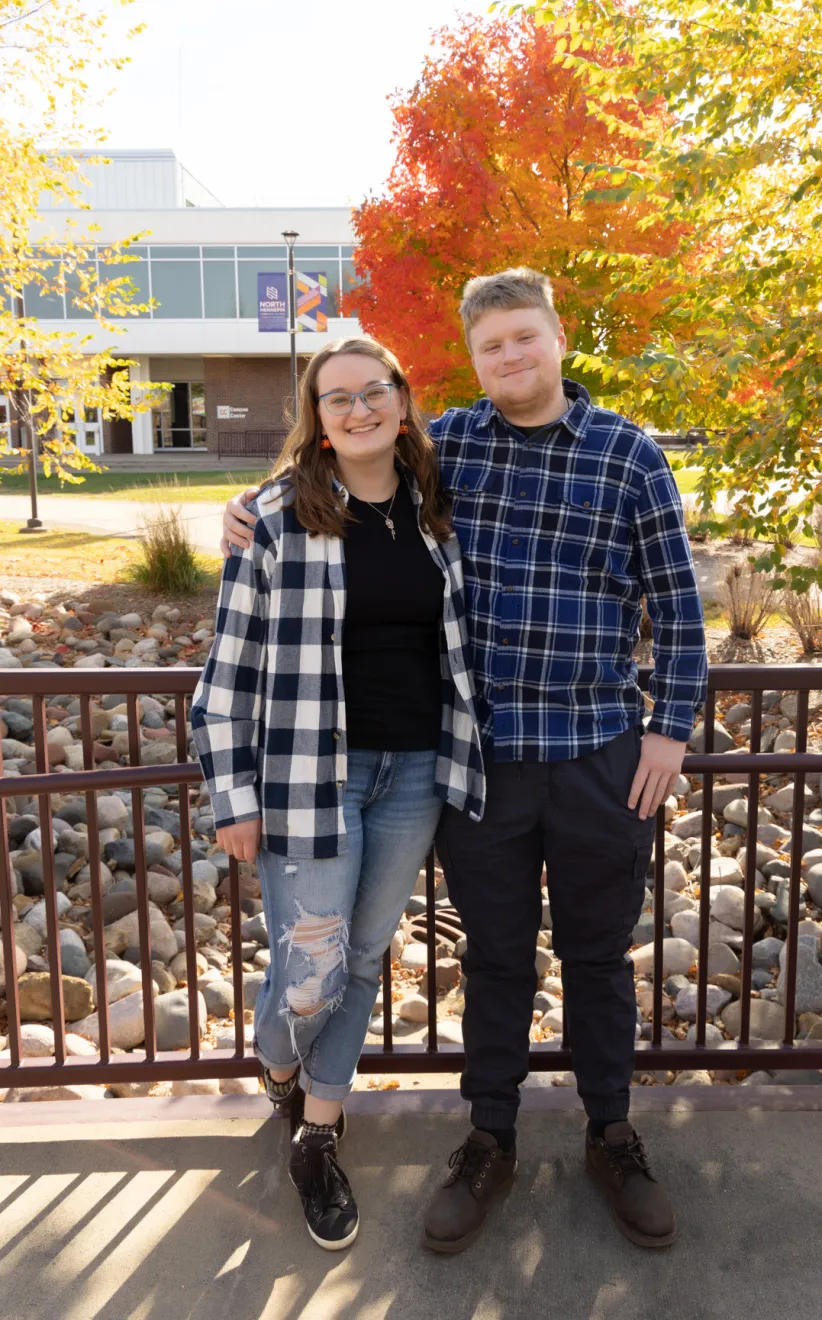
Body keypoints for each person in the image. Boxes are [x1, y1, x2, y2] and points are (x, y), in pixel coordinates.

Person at [221, 268, 708, 1252]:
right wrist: (244, 507)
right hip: (477, 765)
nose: (509, 358)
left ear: (557, 337)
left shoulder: (629, 456)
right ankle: (489, 1138)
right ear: (473, 359)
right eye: (490, 346)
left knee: (598, 958)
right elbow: (340, 449)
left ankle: (610, 1133)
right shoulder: (450, 447)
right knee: (491, 959)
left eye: (524, 338)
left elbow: (680, 607)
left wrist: (671, 725)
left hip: (598, 756)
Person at [192, 336, 485, 1252]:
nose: (357, 410)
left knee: (361, 960)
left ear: (402, 400)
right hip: (310, 781)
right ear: (315, 422)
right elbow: (227, 674)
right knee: (310, 970)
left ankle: (316, 1134)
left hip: (416, 774)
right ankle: (277, 1060)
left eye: (373, 393)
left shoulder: (439, 509)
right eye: (335, 399)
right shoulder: (278, 518)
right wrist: (232, 796)